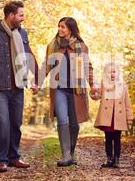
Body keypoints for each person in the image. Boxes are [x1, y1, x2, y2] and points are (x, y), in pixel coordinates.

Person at [0, 0, 39, 173]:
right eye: (21, 15)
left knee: (16, 123)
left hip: (19, 86)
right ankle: (1, 160)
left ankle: (14, 157)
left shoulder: (23, 34)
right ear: (11, 15)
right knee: (3, 122)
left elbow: (29, 56)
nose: (23, 18)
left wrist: (37, 79)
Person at [39, 17, 98, 167]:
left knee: (74, 124)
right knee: (62, 120)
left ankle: (70, 153)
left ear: (70, 29)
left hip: (76, 90)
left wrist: (93, 84)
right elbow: (46, 65)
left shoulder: (81, 47)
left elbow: (87, 67)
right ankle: (65, 155)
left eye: (63, 27)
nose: (60, 29)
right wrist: (37, 83)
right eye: (59, 26)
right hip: (59, 89)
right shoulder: (53, 46)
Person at [91, 61, 133, 168]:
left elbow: (127, 102)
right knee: (108, 139)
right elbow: (98, 95)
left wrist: (129, 118)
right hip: (107, 117)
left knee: (117, 139)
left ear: (118, 73)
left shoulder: (122, 85)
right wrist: (93, 93)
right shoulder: (103, 84)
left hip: (118, 117)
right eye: (110, 72)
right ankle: (109, 159)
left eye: (114, 72)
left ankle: (117, 160)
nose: (112, 74)